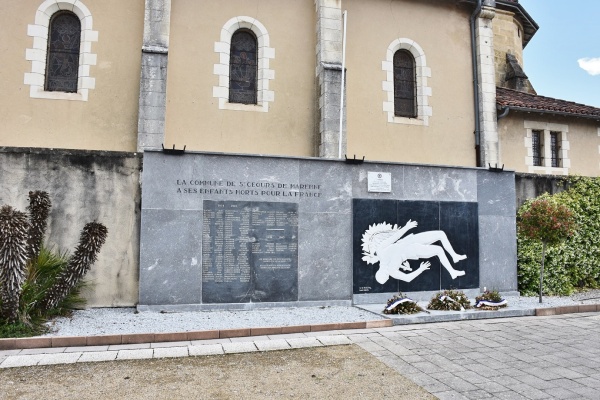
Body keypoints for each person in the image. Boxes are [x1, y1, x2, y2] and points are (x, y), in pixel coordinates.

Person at [361, 220, 466, 284]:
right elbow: (407, 278)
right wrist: (420, 269)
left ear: (380, 272)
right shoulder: (392, 271)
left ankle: (454, 256)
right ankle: (452, 271)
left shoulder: (380, 252)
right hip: (413, 250)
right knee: (439, 250)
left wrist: (406, 227)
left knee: (441, 234)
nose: (387, 275)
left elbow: (393, 238)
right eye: (387, 277)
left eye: (385, 276)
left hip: (409, 241)